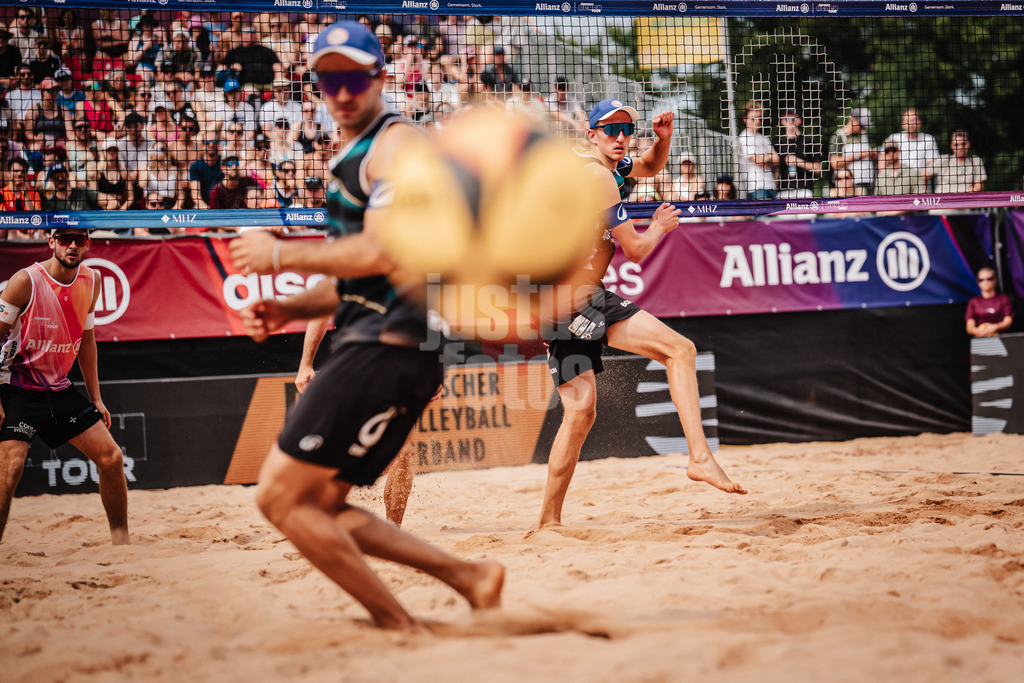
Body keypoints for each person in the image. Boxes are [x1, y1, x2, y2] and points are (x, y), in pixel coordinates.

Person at [226, 21, 503, 630]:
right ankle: (470, 578)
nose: (343, 91)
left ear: (380, 77)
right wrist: (289, 309)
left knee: (280, 496)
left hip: (390, 340)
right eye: (330, 80)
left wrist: (278, 254)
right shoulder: (356, 154)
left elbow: (381, 252)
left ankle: (401, 624)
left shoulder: (396, 145)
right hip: (379, 334)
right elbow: (352, 277)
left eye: (354, 77)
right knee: (318, 503)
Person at [537, 98, 746, 530]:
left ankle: (548, 523)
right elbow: (634, 250)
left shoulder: (604, 167)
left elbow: (649, 166)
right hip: (575, 293)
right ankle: (700, 458)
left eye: (626, 130)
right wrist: (660, 227)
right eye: (610, 130)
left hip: (555, 297)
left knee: (580, 413)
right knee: (680, 350)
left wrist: (663, 140)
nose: (620, 137)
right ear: (591, 134)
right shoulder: (598, 176)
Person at [0, 228, 129, 545]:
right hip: (16, 385)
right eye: (64, 239)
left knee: (112, 458)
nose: (72, 245)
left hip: (58, 388)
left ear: (88, 245)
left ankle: (122, 545)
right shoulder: (25, 281)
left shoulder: (92, 280)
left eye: (79, 240)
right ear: (51, 242)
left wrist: (96, 398)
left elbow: (87, 340)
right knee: (10, 468)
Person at [883, 108, 939, 185]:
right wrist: (885, 178)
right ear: (903, 124)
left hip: (920, 182)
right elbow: (883, 159)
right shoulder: (894, 138)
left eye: (913, 120)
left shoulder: (929, 139)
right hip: (896, 181)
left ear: (919, 122)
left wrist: (919, 178)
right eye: (908, 121)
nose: (911, 124)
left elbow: (933, 165)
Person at [736, 101, 778, 200]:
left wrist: (764, 159)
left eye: (760, 118)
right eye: (753, 118)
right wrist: (768, 157)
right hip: (755, 187)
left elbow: (776, 160)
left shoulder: (764, 138)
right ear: (745, 119)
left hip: (770, 185)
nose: (757, 121)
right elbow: (759, 161)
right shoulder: (744, 138)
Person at [775, 109, 821, 199]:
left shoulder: (809, 141)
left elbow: (817, 168)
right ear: (782, 121)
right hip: (783, 192)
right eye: (786, 119)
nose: (790, 122)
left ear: (799, 120)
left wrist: (798, 162)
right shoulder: (778, 144)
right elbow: (777, 170)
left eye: (793, 118)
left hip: (804, 190)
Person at [828, 108, 875, 196]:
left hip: (868, 181)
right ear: (852, 120)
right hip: (850, 185)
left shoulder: (864, 136)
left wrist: (872, 155)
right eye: (861, 126)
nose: (863, 129)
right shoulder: (839, 136)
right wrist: (857, 156)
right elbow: (834, 163)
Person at [966, 267, 1013, 338]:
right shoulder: (973, 302)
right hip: (981, 339)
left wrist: (994, 327)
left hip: (1001, 338)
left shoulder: (1004, 299)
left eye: (989, 279)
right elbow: (969, 327)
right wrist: (981, 332)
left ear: (994, 280)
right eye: (981, 280)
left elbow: (1008, 321)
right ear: (978, 282)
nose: (985, 282)